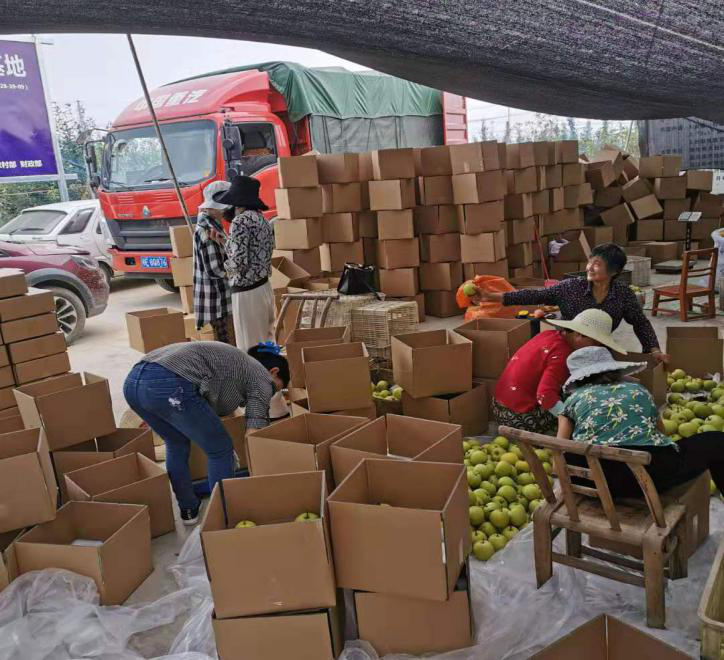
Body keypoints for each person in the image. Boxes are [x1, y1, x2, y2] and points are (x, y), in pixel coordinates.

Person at [124, 341, 289, 524]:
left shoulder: (238, 363)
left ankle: (189, 510)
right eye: (275, 389)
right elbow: (253, 431)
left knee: (176, 443)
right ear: (273, 372)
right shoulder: (261, 376)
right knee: (220, 449)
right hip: (169, 383)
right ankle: (225, 516)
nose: (270, 394)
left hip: (133, 383)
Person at [558, 346, 724, 498]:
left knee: (572, 453)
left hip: (594, 483)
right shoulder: (638, 391)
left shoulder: (572, 401)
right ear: (615, 369)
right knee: (717, 440)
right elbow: (662, 434)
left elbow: (558, 453)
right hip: (648, 479)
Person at [473, 242, 669, 364]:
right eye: (590, 261)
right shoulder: (570, 287)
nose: (590, 267)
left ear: (614, 271)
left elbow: (640, 323)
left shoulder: (623, 294)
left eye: (597, 264)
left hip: (599, 349)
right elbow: (533, 295)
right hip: (567, 347)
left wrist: (654, 350)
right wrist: (491, 297)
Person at [493, 309, 628, 434]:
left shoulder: (548, 334)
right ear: (578, 335)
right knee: (579, 401)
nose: (596, 347)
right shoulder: (563, 355)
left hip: (499, 406)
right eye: (596, 343)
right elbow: (545, 395)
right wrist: (572, 421)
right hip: (518, 416)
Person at [213, 175, 275, 351]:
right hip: (264, 288)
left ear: (236, 202)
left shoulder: (240, 221)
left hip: (247, 293)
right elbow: (252, 252)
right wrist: (226, 242)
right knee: (267, 343)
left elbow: (239, 263)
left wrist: (224, 268)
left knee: (250, 347)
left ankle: (256, 379)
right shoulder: (262, 220)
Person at [193, 181, 235, 345]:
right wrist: (237, 271)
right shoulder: (207, 229)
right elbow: (215, 269)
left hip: (219, 299)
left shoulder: (213, 224)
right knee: (228, 347)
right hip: (218, 300)